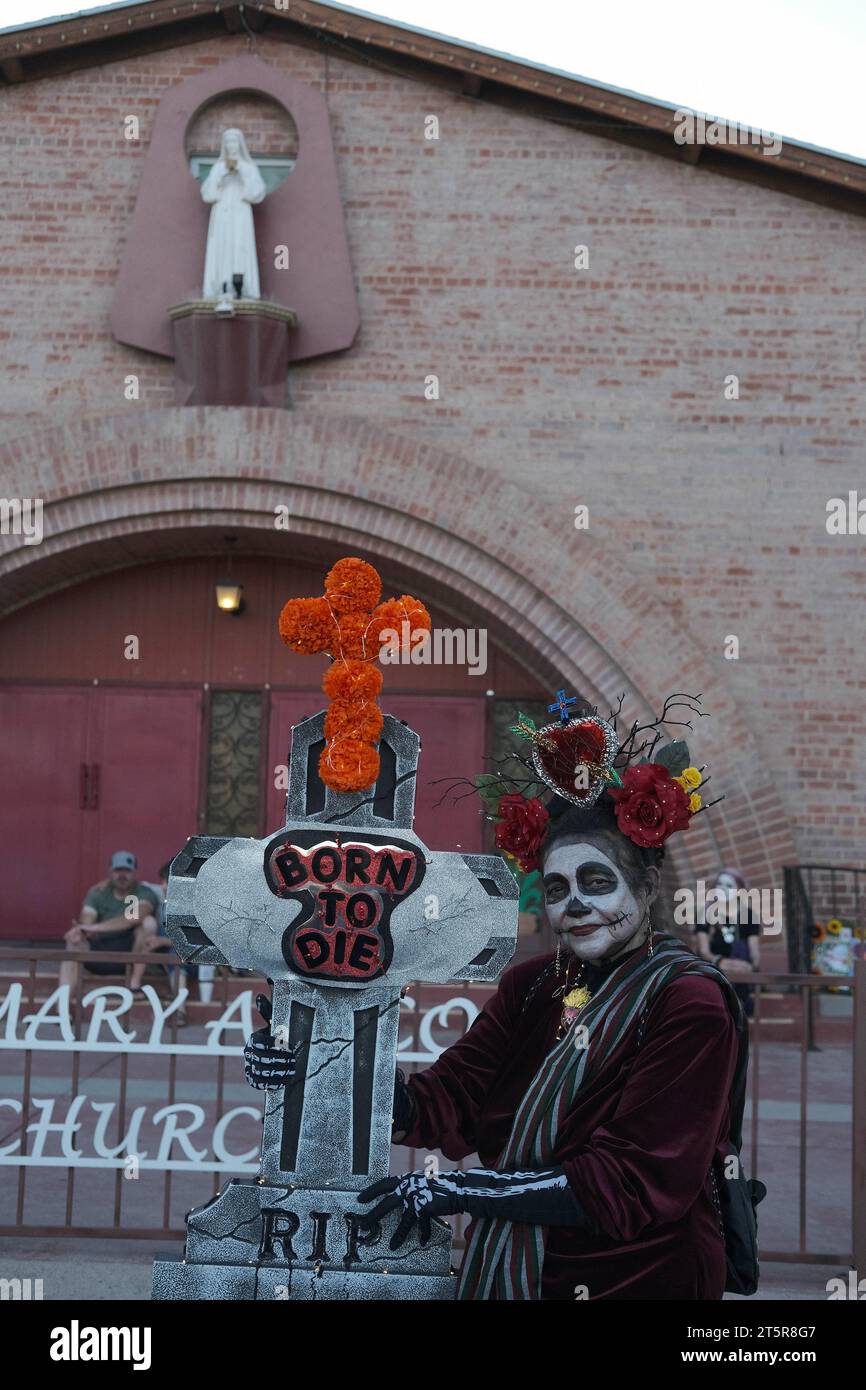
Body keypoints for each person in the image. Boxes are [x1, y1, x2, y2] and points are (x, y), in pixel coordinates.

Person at [243, 695, 753, 1300]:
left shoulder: (690, 1004)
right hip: (515, 1272)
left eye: (597, 882)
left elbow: (631, 1182)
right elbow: (447, 1101)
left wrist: (460, 1191)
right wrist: (313, 1064)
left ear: (646, 888)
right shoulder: (535, 984)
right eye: (558, 888)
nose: (575, 905)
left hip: (638, 1276)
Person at [61, 851, 159, 996]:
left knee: (149, 923)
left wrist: (94, 927)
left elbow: (133, 917)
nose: (122, 875)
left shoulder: (143, 892)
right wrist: (81, 929)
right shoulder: (98, 892)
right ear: (110, 872)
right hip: (98, 950)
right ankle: (62, 1006)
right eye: (118, 870)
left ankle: (134, 984)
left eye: (127, 871)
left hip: (129, 956)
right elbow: (87, 917)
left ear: (135, 873)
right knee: (74, 940)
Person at [694, 867, 760, 1018]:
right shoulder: (705, 913)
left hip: (740, 976)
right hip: (714, 974)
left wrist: (751, 965)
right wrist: (720, 961)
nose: (723, 889)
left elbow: (755, 952)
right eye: (720, 884)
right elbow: (703, 951)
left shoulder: (748, 915)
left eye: (729, 886)